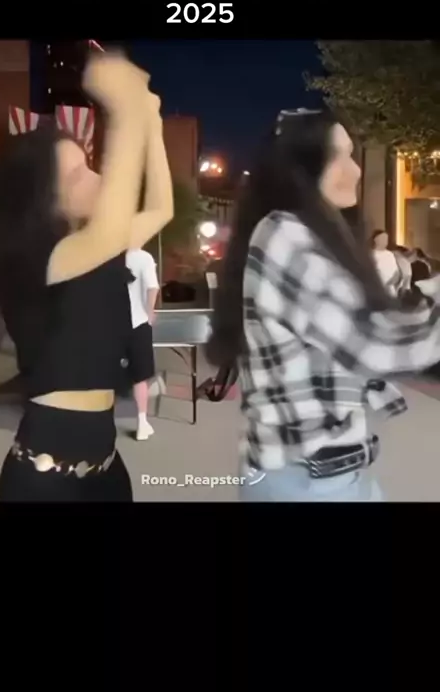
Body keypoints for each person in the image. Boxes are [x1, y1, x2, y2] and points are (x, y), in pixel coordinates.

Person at [0, 52, 173, 501]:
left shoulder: (94, 249)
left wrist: (151, 121)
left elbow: (160, 209)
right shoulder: (36, 260)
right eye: (79, 175)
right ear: (44, 198)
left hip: (107, 469)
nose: (98, 179)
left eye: (91, 165)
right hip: (44, 481)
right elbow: (117, 213)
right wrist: (125, 111)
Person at [206, 107, 440, 502]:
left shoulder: (306, 236)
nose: (356, 170)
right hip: (307, 485)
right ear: (300, 168)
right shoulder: (286, 237)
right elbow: (376, 346)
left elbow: (371, 334)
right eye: (339, 156)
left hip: (329, 477)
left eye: (353, 154)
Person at [125, 248, 160, 440]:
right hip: (138, 322)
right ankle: (142, 423)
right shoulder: (143, 256)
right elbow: (152, 287)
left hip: (110, 324)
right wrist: (150, 312)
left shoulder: (107, 254)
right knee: (140, 377)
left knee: (106, 374)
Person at [371, 229, 402, 296]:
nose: (385, 241)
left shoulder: (390, 254)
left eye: (386, 239)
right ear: (376, 239)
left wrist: (391, 282)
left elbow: (397, 272)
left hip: (390, 289)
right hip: (377, 289)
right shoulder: (371, 254)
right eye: (383, 238)